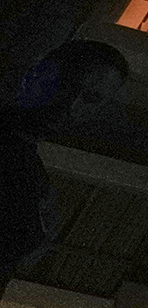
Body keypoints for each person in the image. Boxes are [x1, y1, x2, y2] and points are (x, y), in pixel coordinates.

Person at [2, 40, 129, 280]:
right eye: (69, 84)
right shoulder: (24, 165)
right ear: (39, 75)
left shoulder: (31, 171)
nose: (72, 104)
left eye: (92, 99)